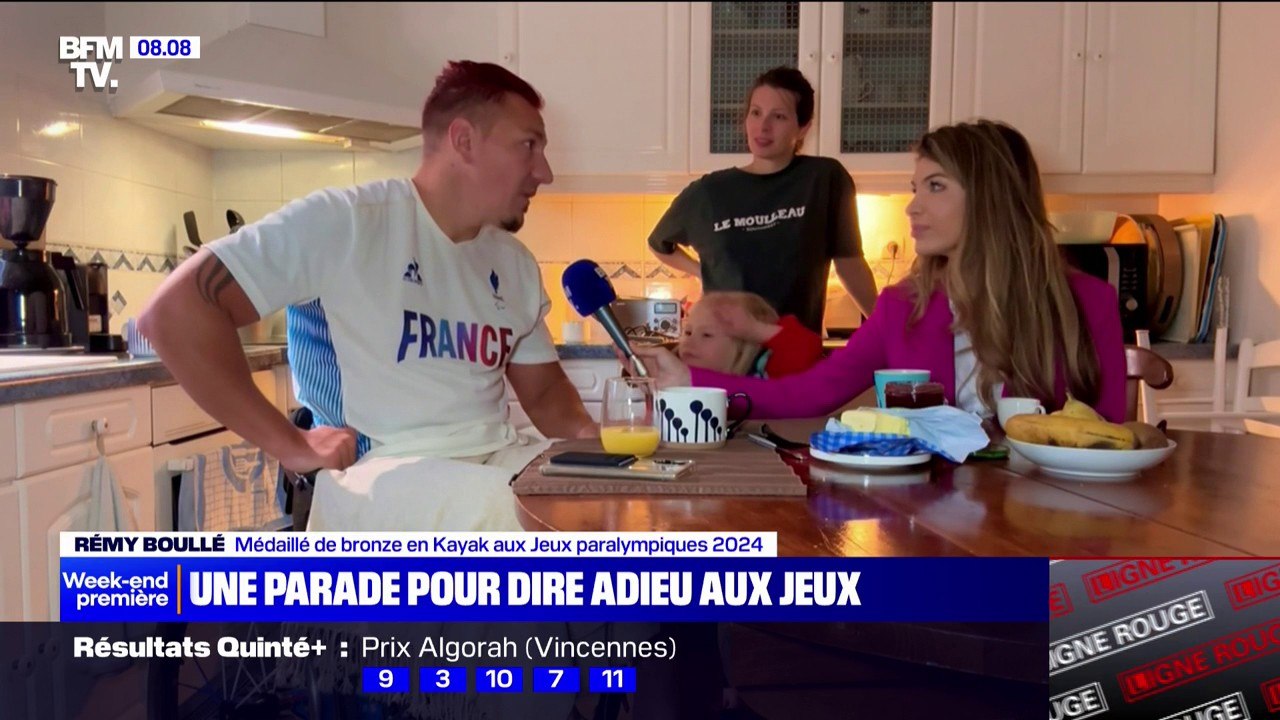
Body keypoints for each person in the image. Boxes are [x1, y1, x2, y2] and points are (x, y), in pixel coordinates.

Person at [137, 60, 598, 478]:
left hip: (492, 471)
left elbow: (544, 395)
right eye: (528, 145)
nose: (545, 172)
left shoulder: (513, 262)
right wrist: (289, 443)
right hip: (383, 481)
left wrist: (605, 452)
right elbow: (173, 314)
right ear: (464, 141)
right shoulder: (347, 222)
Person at [634, 119, 1127, 424]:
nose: (913, 207)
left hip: (1046, 532)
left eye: (935, 187)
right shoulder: (901, 309)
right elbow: (807, 393)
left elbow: (1107, 434)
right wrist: (688, 378)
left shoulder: (1087, 303)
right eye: (915, 188)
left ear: (990, 197)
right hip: (927, 535)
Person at [647, 66, 879, 335]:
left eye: (778, 116)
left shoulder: (824, 179)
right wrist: (703, 271)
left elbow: (850, 263)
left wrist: (887, 331)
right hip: (725, 357)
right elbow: (659, 244)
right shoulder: (708, 192)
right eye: (755, 113)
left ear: (803, 128)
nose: (763, 126)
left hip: (795, 355)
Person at [679, 290, 823, 378]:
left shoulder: (764, 376)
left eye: (706, 335)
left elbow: (807, 348)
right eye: (688, 332)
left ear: (743, 348)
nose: (688, 342)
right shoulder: (675, 377)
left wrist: (756, 330)